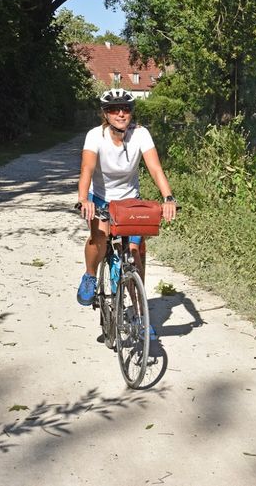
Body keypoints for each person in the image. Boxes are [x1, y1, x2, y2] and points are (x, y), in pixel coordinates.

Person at [76, 88, 177, 336]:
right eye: (114, 109)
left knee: (134, 254)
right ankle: (90, 276)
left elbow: (155, 169)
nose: (121, 113)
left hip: (131, 203)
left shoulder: (141, 134)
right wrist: (83, 199)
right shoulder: (94, 136)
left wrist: (168, 197)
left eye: (126, 109)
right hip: (101, 199)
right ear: (106, 114)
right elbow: (87, 169)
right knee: (98, 238)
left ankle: (141, 318)